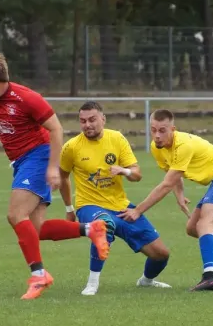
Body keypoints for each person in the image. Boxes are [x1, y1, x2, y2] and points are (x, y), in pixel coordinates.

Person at [0, 53, 109, 300]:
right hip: (21, 162)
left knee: (15, 215)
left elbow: (56, 128)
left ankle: (39, 276)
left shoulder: (26, 98)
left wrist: (52, 168)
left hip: (38, 157)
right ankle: (92, 229)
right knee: (35, 230)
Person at [118, 109, 213, 291]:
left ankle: (210, 276)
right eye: (153, 130)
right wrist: (179, 197)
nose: (157, 136)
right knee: (193, 228)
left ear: (173, 129)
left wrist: (138, 210)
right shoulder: (158, 148)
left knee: (204, 225)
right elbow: (174, 175)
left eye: (162, 130)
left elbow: (165, 185)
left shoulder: (183, 144)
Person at [59, 101, 171, 296]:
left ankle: (146, 281)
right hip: (89, 206)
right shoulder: (71, 147)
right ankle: (92, 283)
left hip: (121, 207)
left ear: (103, 119)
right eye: (83, 121)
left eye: (92, 119)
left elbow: (137, 175)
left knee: (161, 254)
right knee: (103, 224)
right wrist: (69, 208)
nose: (88, 125)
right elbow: (62, 177)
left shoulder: (117, 139)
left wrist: (124, 171)